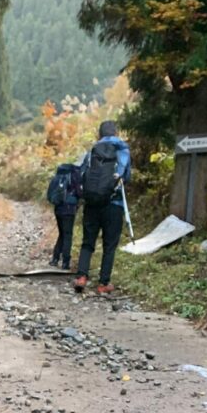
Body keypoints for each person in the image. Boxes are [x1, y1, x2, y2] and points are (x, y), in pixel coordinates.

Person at [73, 120, 131, 294]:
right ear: (116, 133)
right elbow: (126, 177)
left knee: (87, 242)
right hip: (114, 204)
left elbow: (80, 174)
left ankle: (81, 277)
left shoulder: (92, 151)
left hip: (92, 203)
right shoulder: (123, 151)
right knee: (109, 245)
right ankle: (103, 283)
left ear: (99, 134)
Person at [46, 161, 82, 270]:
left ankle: (55, 259)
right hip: (69, 210)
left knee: (62, 233)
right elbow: (80, 193)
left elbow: (49, 195)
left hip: (58, 209)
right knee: (67, 235)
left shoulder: (56, 178)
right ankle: (65, 262)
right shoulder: (73, 177)